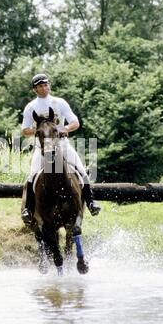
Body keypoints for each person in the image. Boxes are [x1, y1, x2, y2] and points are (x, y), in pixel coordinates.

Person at [21, 73, 100, 225]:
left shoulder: (60, 102)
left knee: (81, 170)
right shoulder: (31, 107)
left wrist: (65, 129)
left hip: (62, 145)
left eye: (45, 85)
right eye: (40, 86)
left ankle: (91, 203)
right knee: (32, 175)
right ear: (34, 90)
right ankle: (28, 210)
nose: (44, 88)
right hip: (42, 147)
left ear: (49, 85)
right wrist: (39, 131)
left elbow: (75, 122)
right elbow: (25, 130)